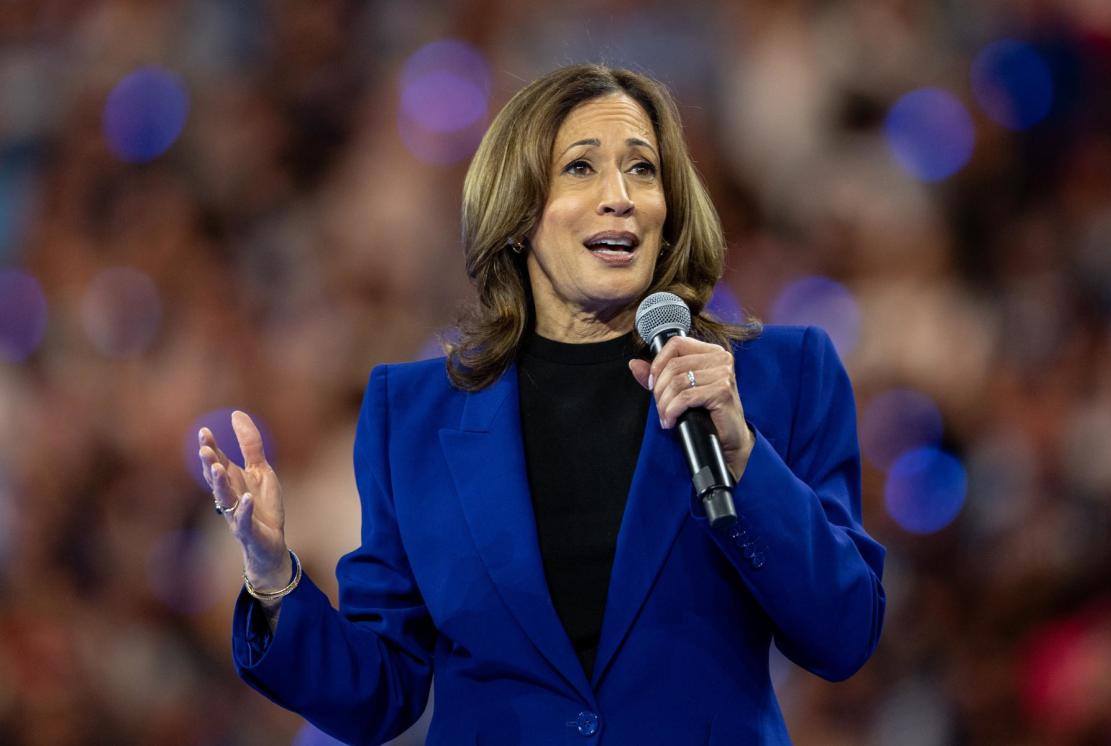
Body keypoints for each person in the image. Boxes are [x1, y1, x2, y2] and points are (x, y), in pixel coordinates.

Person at [199, 64, 885, 745]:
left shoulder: (778, 376)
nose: (620, 196)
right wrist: (271, 577)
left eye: (642, 170)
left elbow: (843, 633)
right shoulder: (411, 414)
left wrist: (745, 459)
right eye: (581, 169)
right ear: (519, 210)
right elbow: (380, 695)